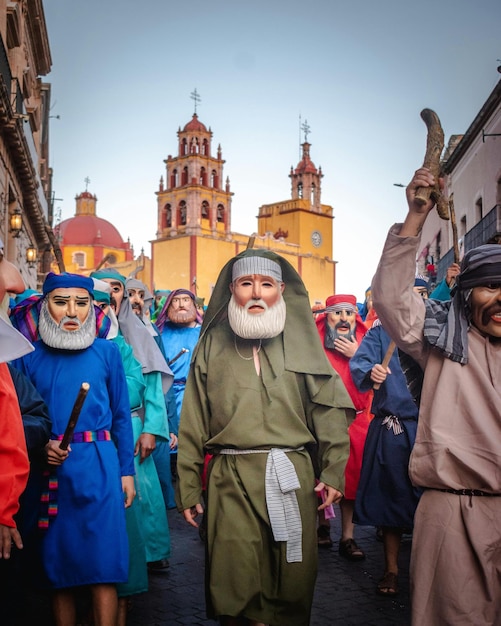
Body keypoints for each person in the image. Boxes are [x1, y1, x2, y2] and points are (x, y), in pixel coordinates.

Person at [176, 249, 353, 626]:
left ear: (281, 290)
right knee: (235, 588)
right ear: (232, 290)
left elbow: (328, 408)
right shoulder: (210, 345)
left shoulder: (303, 344)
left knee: (290, 587)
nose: (256, 292)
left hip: (293, 476)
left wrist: (334, 469)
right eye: (246, 283)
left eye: (266, 284)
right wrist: (189, 485)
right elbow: (193, 418)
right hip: (230, 480)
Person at [371, 166, 501, 625]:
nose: (500, 298)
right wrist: (416, 216)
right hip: (455, 511)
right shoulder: (439, 339)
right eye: (490, 286)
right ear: (467, 295)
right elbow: (389, 298)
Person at [10, 272, 135, 626]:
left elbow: (122, 417)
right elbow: (18, 416)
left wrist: (126, 471)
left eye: (81, 303)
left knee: (103, 566)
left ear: (91, 309)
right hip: (50, 472)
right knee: (58, 569)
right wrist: (40, 449)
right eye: (60, 302)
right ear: (45, 306)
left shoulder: (108, 352)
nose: (71, 311)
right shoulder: (26, 356)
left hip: (99, 467)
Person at [91, 270, 173, 572]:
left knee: (144, 491)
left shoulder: (138, 334)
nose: (110, 294)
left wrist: (152, 428)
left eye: (116, 288)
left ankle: (150, 552)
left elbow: (152, 387)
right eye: (103, 289)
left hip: (135, 425)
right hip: (95, 430)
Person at [349, 312, 423, 597]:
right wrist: (372, 372)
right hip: (392, 427)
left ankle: (427, 570)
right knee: (392, 499)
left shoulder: (434, 331)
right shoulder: (379, 332)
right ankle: (391, 569)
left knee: (433, 503)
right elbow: (361, 363)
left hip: (431, 429)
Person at [314, 294, 372, 559]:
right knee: (318, 474)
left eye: (349, 313)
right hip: (321, 420)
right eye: (337, 314)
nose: (344, 319)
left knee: (352, 480)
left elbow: (379, 376)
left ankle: (348, 537)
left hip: (358, 420)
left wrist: (358, 355)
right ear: (327, 317)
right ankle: (322, 527)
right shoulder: (313, 346)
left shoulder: (366, 343)